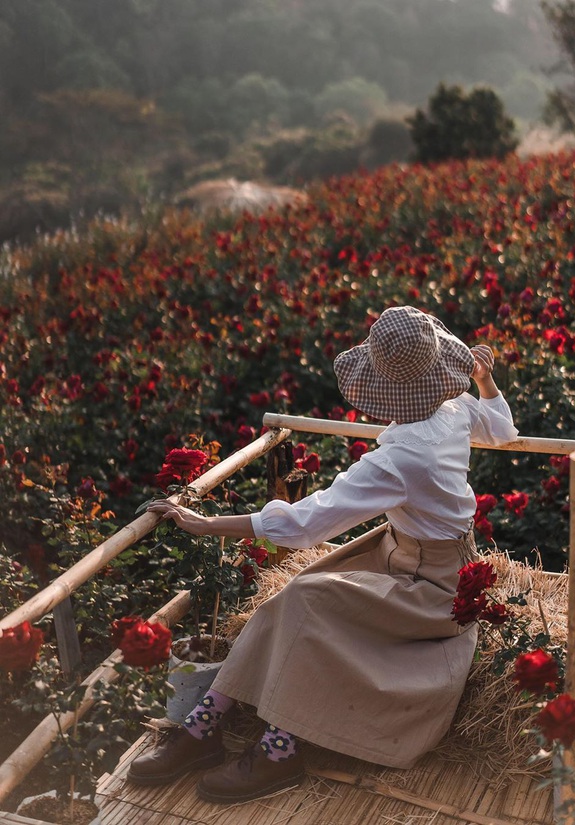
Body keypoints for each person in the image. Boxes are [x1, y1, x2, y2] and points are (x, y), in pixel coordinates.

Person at [129, 305, 518, 804]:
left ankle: (279, 749)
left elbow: (306, 523)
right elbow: (503, 429)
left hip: (434, 586)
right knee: (286, 599)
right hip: (404, 555)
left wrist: (207, 524)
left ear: (382, 388)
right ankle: (204, 728)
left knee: (307, 599)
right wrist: (485, 381)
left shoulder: (401, 458)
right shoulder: (455, 408)